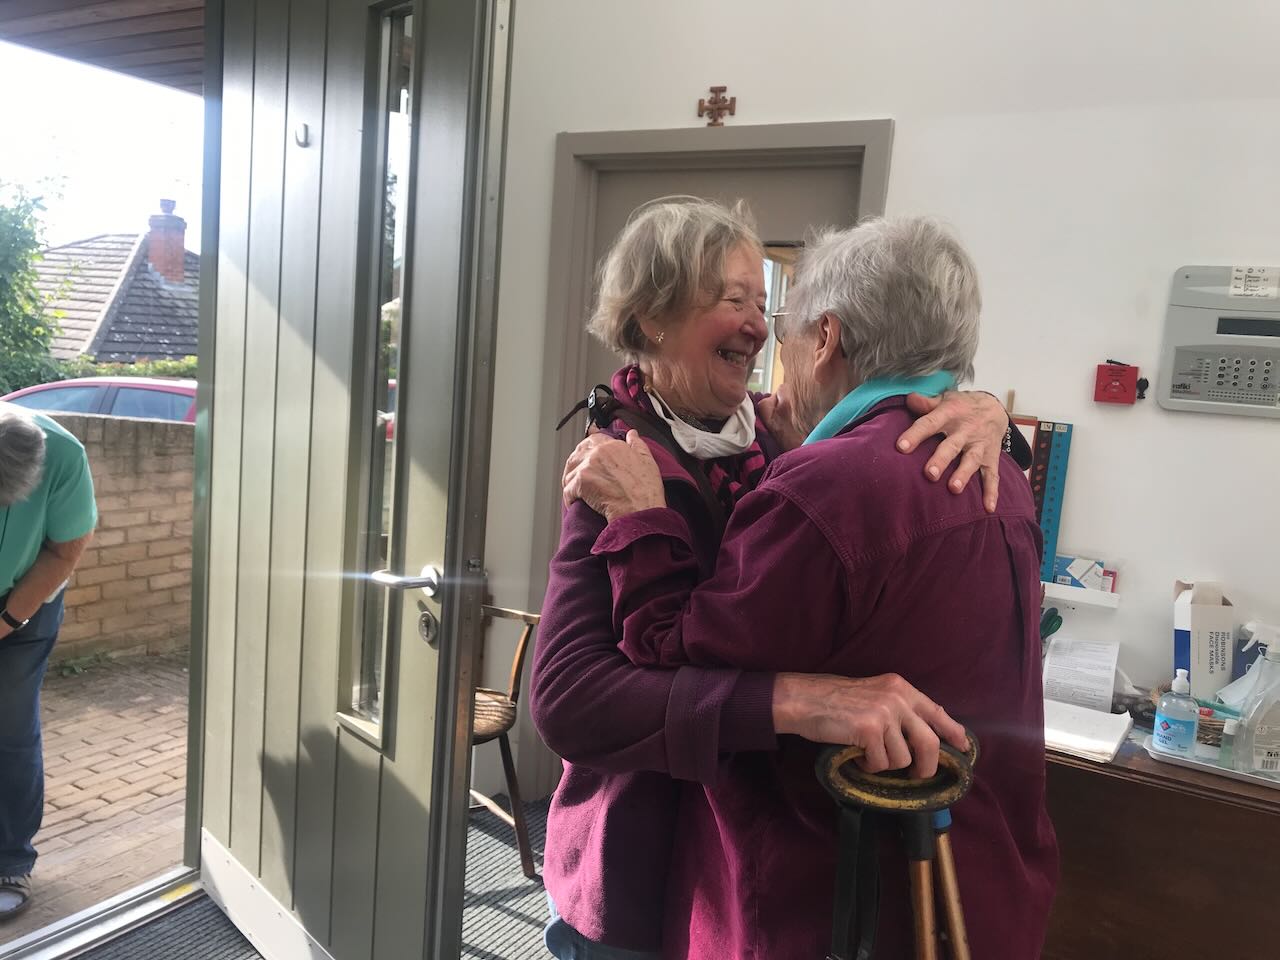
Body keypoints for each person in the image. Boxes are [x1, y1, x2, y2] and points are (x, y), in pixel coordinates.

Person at [530, 198, 1027, 958]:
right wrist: (794, 701)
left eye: (764, 304)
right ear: (653, 320)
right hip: (635, 873)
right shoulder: (615, 466)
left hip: (739, 876)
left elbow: (885, 420)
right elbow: (571, 701)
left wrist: (984, 409)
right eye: (733, 299)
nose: (761, 328)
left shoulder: (771, 433)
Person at [0, 404, 97, 921]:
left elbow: (64, 549)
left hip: (25, 604)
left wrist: (7, 620)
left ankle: (10, 860)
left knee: (10, 729)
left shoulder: (60, 454)